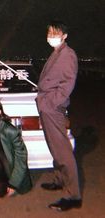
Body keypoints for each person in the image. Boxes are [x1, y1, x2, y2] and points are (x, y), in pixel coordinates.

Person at [36, 20, 82, 211]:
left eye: (55, 34)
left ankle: (73, 196)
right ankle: (59, 180)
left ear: (64, 36)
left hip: (53, 108)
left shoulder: (68, 54)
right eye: (49, 33)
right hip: (47, 106)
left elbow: (66, 86)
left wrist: (49, 103)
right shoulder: (56, 53)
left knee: (63, 151)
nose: (51, 37)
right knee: (55, 148)